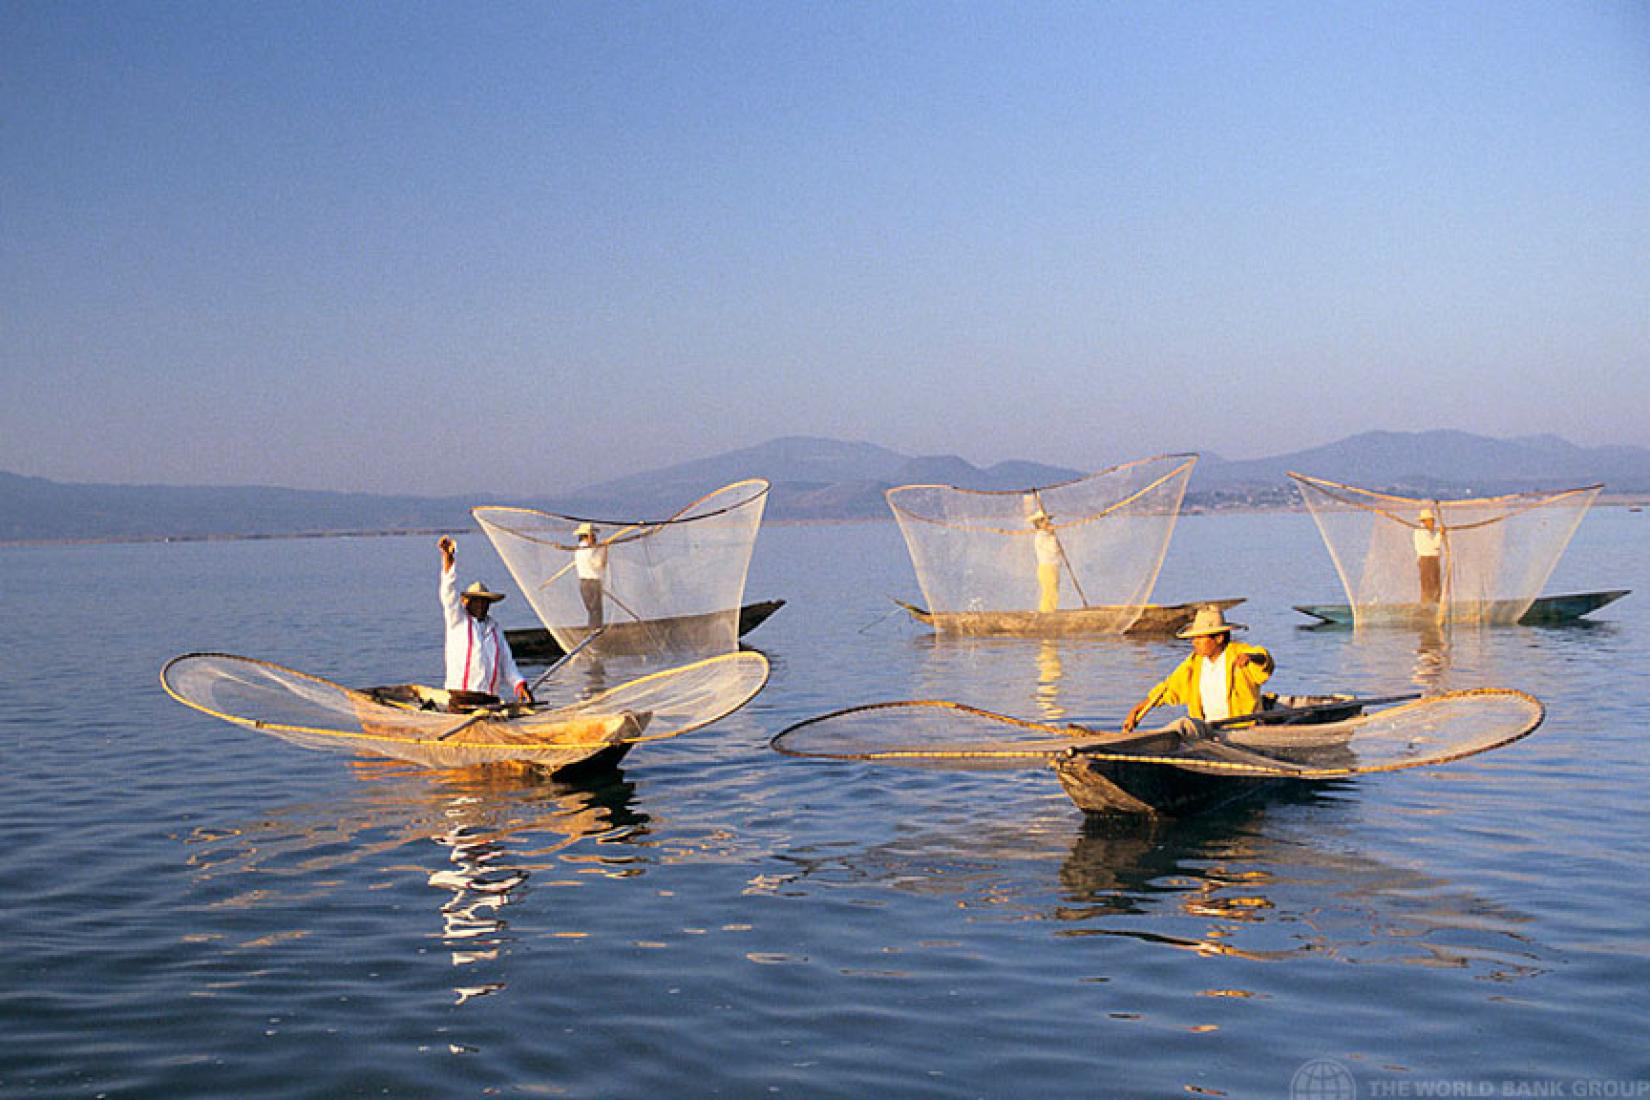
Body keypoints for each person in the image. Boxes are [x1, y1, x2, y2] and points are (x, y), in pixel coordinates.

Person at [1122, 605, 1274, 732]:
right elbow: (1168, 689)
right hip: (1209, 729)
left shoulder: (1238, 653)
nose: (1195, 642)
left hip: (1243, 728)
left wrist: (1251, 658)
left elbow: (1264, 661)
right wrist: (1137, 710)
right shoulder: (1195, 662)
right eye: (1194, 638)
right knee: (1183, 725)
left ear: (1219, 638)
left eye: (1200, 638)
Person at [438, 536, 532, 711]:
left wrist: (519, 684)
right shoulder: (457, 620)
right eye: (476, 601)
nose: (481, 605)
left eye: (484, 602)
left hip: (489, 699)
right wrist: (448, 560)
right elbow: (448, 593)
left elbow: (507, 663)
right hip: (462, 698)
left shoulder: (494, 629)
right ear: (467, 602)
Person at [573, 522, 608, 628]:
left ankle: (593, 630)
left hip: (583, 583)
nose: (595, 538)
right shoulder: (590, 550)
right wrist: (605, 549)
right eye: (593, 535)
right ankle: (596, 631)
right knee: (596, 611)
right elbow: (600, 564)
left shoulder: (578, 550)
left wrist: (600, 548)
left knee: (591, 610)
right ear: (588, 536)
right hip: (593, 583)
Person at [1029, 510, 1062, 613]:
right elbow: (1054, 549)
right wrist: (1052, 536)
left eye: (1047, 521)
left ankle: (1049, 610)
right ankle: (1047, 611)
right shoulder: (1042, 536)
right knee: (1050, 591)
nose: (1048, 523)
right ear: (1038, 524)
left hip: (1052, 567)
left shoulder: (1046, 535)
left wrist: (1052, 535)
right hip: (1047, 567)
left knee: (1052, 590)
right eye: (1043, 521)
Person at [1414, 507, 1444, 604]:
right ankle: (1428, 606)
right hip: (1427, 560)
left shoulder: (1429, 531)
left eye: (1433, 521)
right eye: (1431, 521)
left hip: (1432, 560)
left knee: (1435, 585)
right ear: (1425, 521)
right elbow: (1435, 545)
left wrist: (1440, 533)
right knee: (1429, 586)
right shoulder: (1421, 531)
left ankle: (1434, 605)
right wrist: (1441, 534)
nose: (1433, 523)